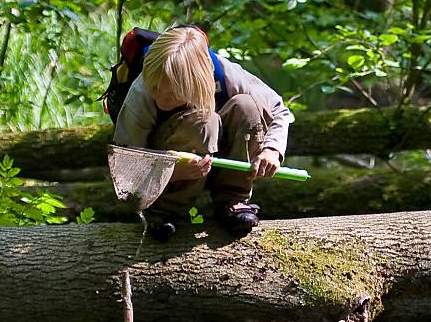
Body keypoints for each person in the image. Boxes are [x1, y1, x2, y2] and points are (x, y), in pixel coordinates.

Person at [112, 26, 294, 241]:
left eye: (171, 92)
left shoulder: (225, 74)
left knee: (247, 107)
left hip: (218, 156)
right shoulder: (141, 92)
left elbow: (278, 109)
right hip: (163, 172)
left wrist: (272, 149)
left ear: (196, 81)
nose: (161, 97)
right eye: (155, 88)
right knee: (203, 122)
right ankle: (164, 209)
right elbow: (124, 165)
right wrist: (169, 171)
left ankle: (232, 200)